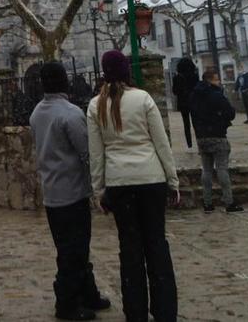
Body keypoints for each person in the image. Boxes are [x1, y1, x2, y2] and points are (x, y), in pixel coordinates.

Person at [88, 50, 179, 322]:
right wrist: (172, 180)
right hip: (151, 179)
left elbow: (96, 153)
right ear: (127, 70)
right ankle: (165, 311)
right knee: (157, 245)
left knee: (129, 249)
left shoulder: (95, 105)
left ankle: (135, 312)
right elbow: (161, 143)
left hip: (119, 183)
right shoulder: (143, 99)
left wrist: (99, 190)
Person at [29, 61, 111, 321]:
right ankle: (66, 304)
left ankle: (88, 294)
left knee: (71, 248)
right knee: (74, 251)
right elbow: (87, 152)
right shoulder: (70, 113)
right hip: (72, 192)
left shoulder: (37, 113)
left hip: (52, 193)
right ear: (64, 80)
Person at [191, 69, 243, 213]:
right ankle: (228, 201)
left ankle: (207, 202)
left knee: (206, 170)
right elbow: (230, 113)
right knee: (222, 169)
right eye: (217, 79)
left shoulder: (194, 95)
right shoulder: (216, 95)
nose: (219, 82)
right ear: (211, 80)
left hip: (201, 136)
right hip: (217, 135)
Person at [170, 57, 199, 149]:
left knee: (186, 124)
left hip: (183, 103)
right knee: (196, 123)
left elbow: (174, 91)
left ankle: (189, 144)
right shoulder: (195, 76)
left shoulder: (177, 78)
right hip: (194, 102)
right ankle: (199, 142)